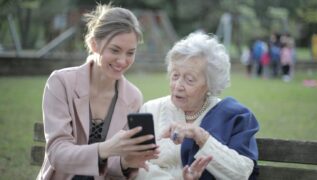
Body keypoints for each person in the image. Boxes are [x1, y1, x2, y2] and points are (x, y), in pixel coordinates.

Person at [37, 4, 160, 179]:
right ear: (94, 44)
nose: (122, 61)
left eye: (130, 53)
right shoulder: (61, 82)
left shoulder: (133, 97)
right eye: (115, 50)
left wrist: (126, 163)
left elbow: (115, 167)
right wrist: (106, 149)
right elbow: (57, 154)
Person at [135, 32, 259, 180]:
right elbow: (135, 165)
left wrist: (199, 136)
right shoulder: (151, 110)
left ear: (209, 84)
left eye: (189, 79)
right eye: (175, 75)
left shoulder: (233, 115)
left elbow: (242, 173)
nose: (178, 85)